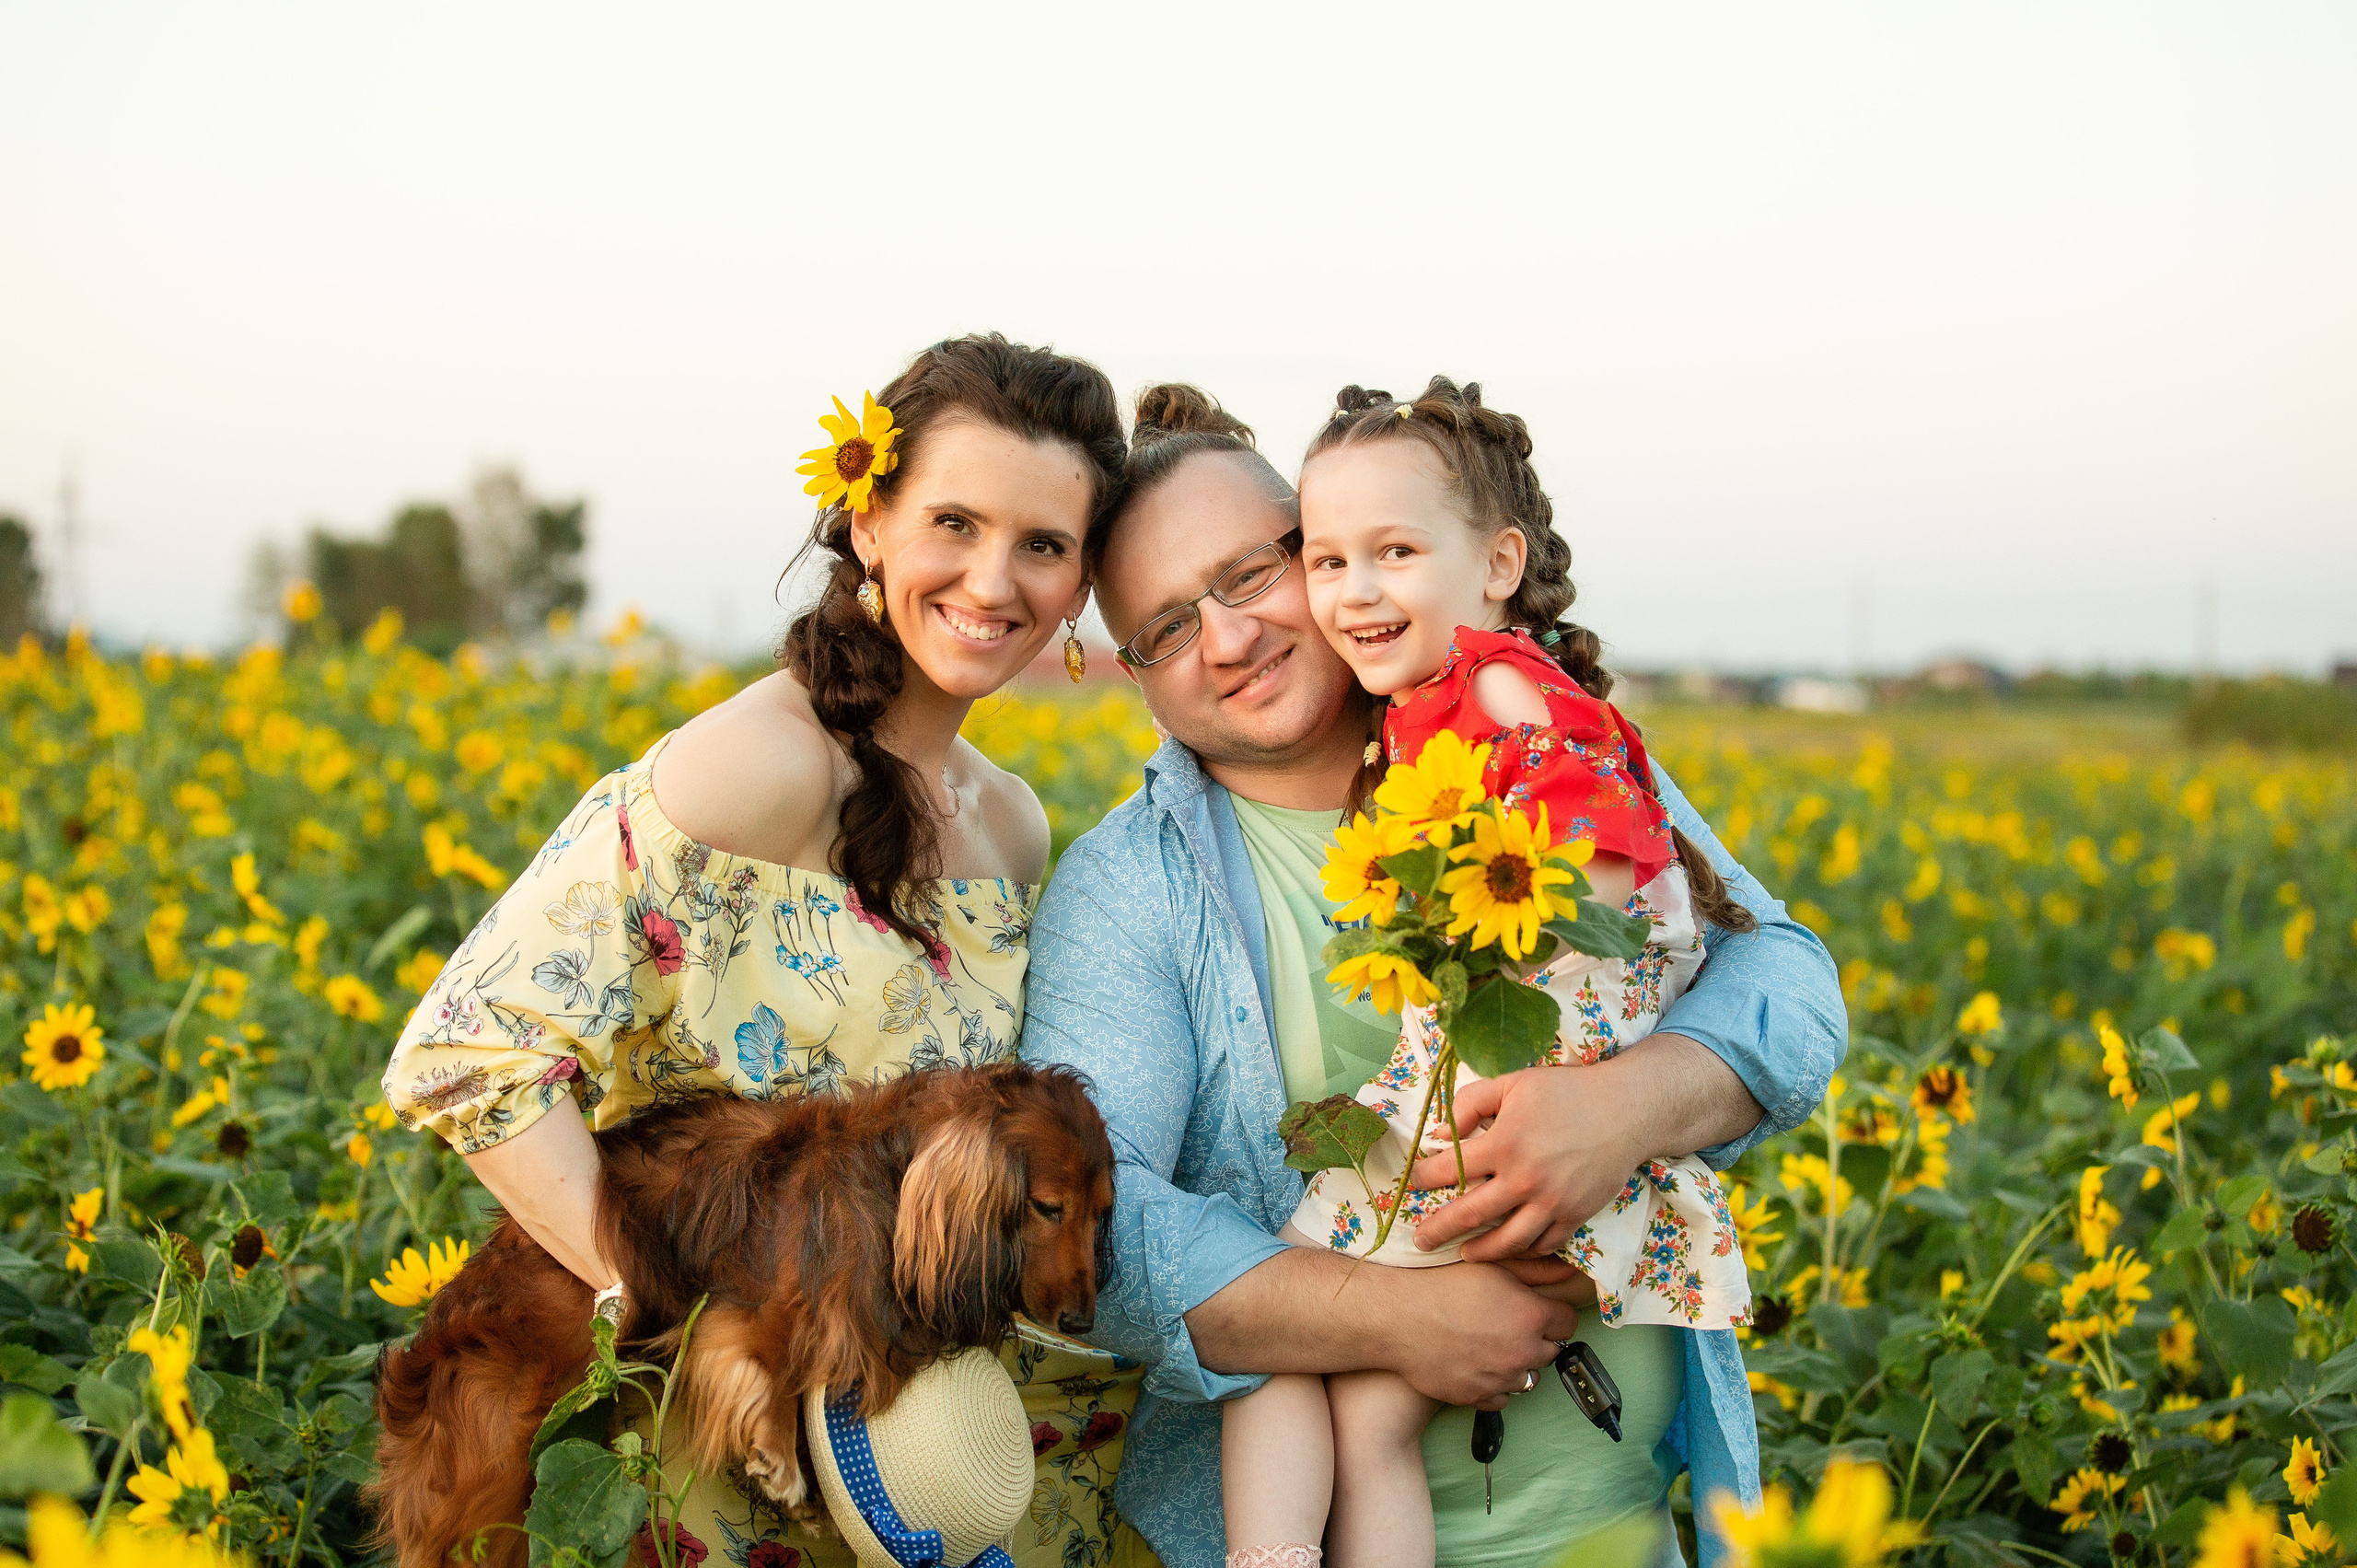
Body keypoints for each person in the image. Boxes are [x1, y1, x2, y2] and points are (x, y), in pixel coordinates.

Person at [1017, 386, 1848, 1568]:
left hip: (1625, 1525)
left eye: (1252, 575)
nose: (1227, 638)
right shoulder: (1128, 888)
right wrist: (1402, 1320)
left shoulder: (1507, 750)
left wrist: (1626, 1105)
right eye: (1162, 629)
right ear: (1133, 672)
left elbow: (1787, 976)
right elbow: (1100, 1224)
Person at [380, 333, 1142, 1568]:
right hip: (698, 1435)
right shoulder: (758, 765)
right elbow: (471, 1052)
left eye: (1043, 544)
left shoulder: (1009, 821)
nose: (994, 579)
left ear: (1080, 580)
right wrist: (683, 1316)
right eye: (955, 520)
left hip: (889, 1436)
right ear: (870, 519)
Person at [1220, 377, 1755, 1568]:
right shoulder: (1413, 717)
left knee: (1290, 1324)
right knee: (1357, 1399)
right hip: (1494, 1069)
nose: (1354, 589)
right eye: (1325, 559)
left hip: (1524, 1080)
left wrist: (1529, 923)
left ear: (1499, 561)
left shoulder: (1495, 682)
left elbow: (1599, 829)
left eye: (1395, 550)